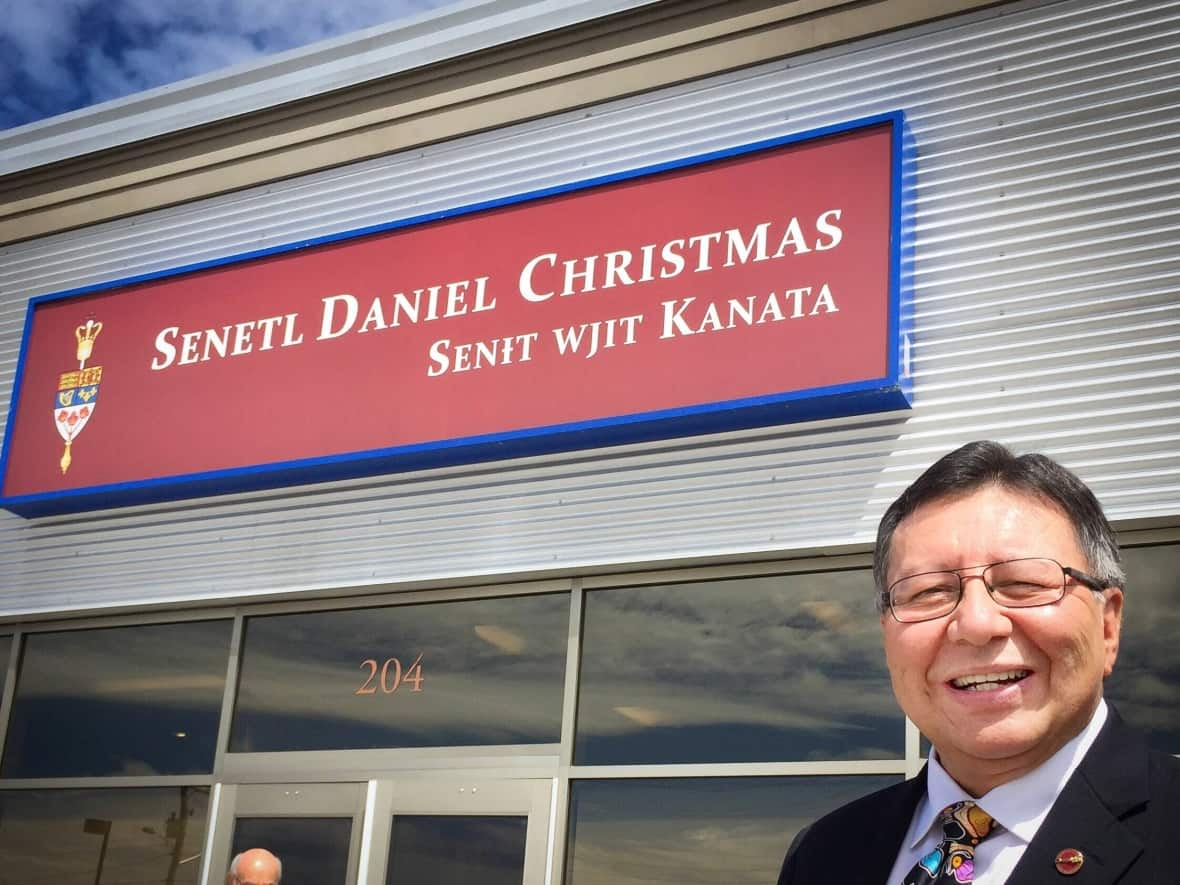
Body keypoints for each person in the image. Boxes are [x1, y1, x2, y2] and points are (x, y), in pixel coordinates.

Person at [778, 440, 1180, 884]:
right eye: (929, 591)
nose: (975, 623)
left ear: (1107, 626)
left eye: (1023, 582)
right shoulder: (824, 851)